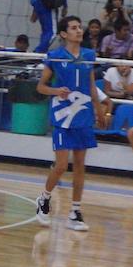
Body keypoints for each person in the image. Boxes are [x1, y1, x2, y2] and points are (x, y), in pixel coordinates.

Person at [34, 16, 106, 231]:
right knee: (62, 165)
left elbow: (91, 86)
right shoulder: (55, 56)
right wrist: (56, 90)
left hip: (83, 113)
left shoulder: (89, 55)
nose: (79, 30)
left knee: (80, 165)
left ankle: (75, 212)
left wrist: (100, 110)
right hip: (63, 115)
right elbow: (40, 87)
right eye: (74, 28)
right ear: (64, 34)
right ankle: (44, 199)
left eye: (79, 27)